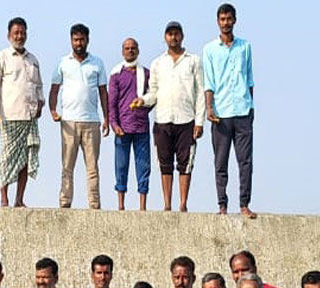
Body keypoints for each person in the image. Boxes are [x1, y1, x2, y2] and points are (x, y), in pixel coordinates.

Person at [132, 21, 204, 212]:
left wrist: (199, 121)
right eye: (170, 34)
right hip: (163, 119)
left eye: (176, 34)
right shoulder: (158, 63)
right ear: (165, 37)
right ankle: (167, 204)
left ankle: (182, 203)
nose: (173, 37)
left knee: (185, 163)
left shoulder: (193, 61)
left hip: (186, 119)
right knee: (165, 164)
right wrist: (143, 100)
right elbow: (153, 92)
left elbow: (200, 92)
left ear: (182, 36)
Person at [203, 3, 256, 218]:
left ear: (234, 20)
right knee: (220, 161)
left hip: (243, 109)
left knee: (245, 161)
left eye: (229, 19)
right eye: (222, 19)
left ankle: (244, 204)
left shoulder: (245, 47)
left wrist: (251, 106)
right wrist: (209, 107)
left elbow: (250, 79)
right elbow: (209, 81)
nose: (226, 23)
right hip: (221, 112)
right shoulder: (210, 49)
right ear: (218, 22)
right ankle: (222, 205)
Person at [0, 17, 44, 207]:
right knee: (7, 158)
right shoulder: (2, 57)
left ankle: (19, 199)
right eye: (16, 33)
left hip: (29, 116)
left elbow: (39, 86)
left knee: (26, 159)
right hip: (9, 116)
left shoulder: (33, 59)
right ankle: (4, 198)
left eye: (22, 32)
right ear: (9, 35)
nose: (19, 36)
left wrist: (40, 104)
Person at [49, 24, 109, 209]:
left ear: (87, 40)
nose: (79, 43)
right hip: (68, 120)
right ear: (71, 41)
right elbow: (54, 89)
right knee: (67, 166)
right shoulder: (62, 62)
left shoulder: (97, 63)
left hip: (91, 121)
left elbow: (103, 92)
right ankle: (65, 202)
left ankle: (94, 203)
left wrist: (107, 118)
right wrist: (53, 110)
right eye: (75, 39)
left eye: (82, 39)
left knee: (92, 168)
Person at [107, 38, 151, 211]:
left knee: (143, 166)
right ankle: (121, 205)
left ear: (138, 50)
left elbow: (152, 97)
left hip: (141, 127)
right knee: (121, 166)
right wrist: (114, 124)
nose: (130, 51)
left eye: (133, 48)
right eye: (127, 48)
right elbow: (112, 103)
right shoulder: (116, 74)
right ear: (122, 51)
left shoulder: (146, 74)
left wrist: (143, 109)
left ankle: (142, 206)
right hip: (122, 129)